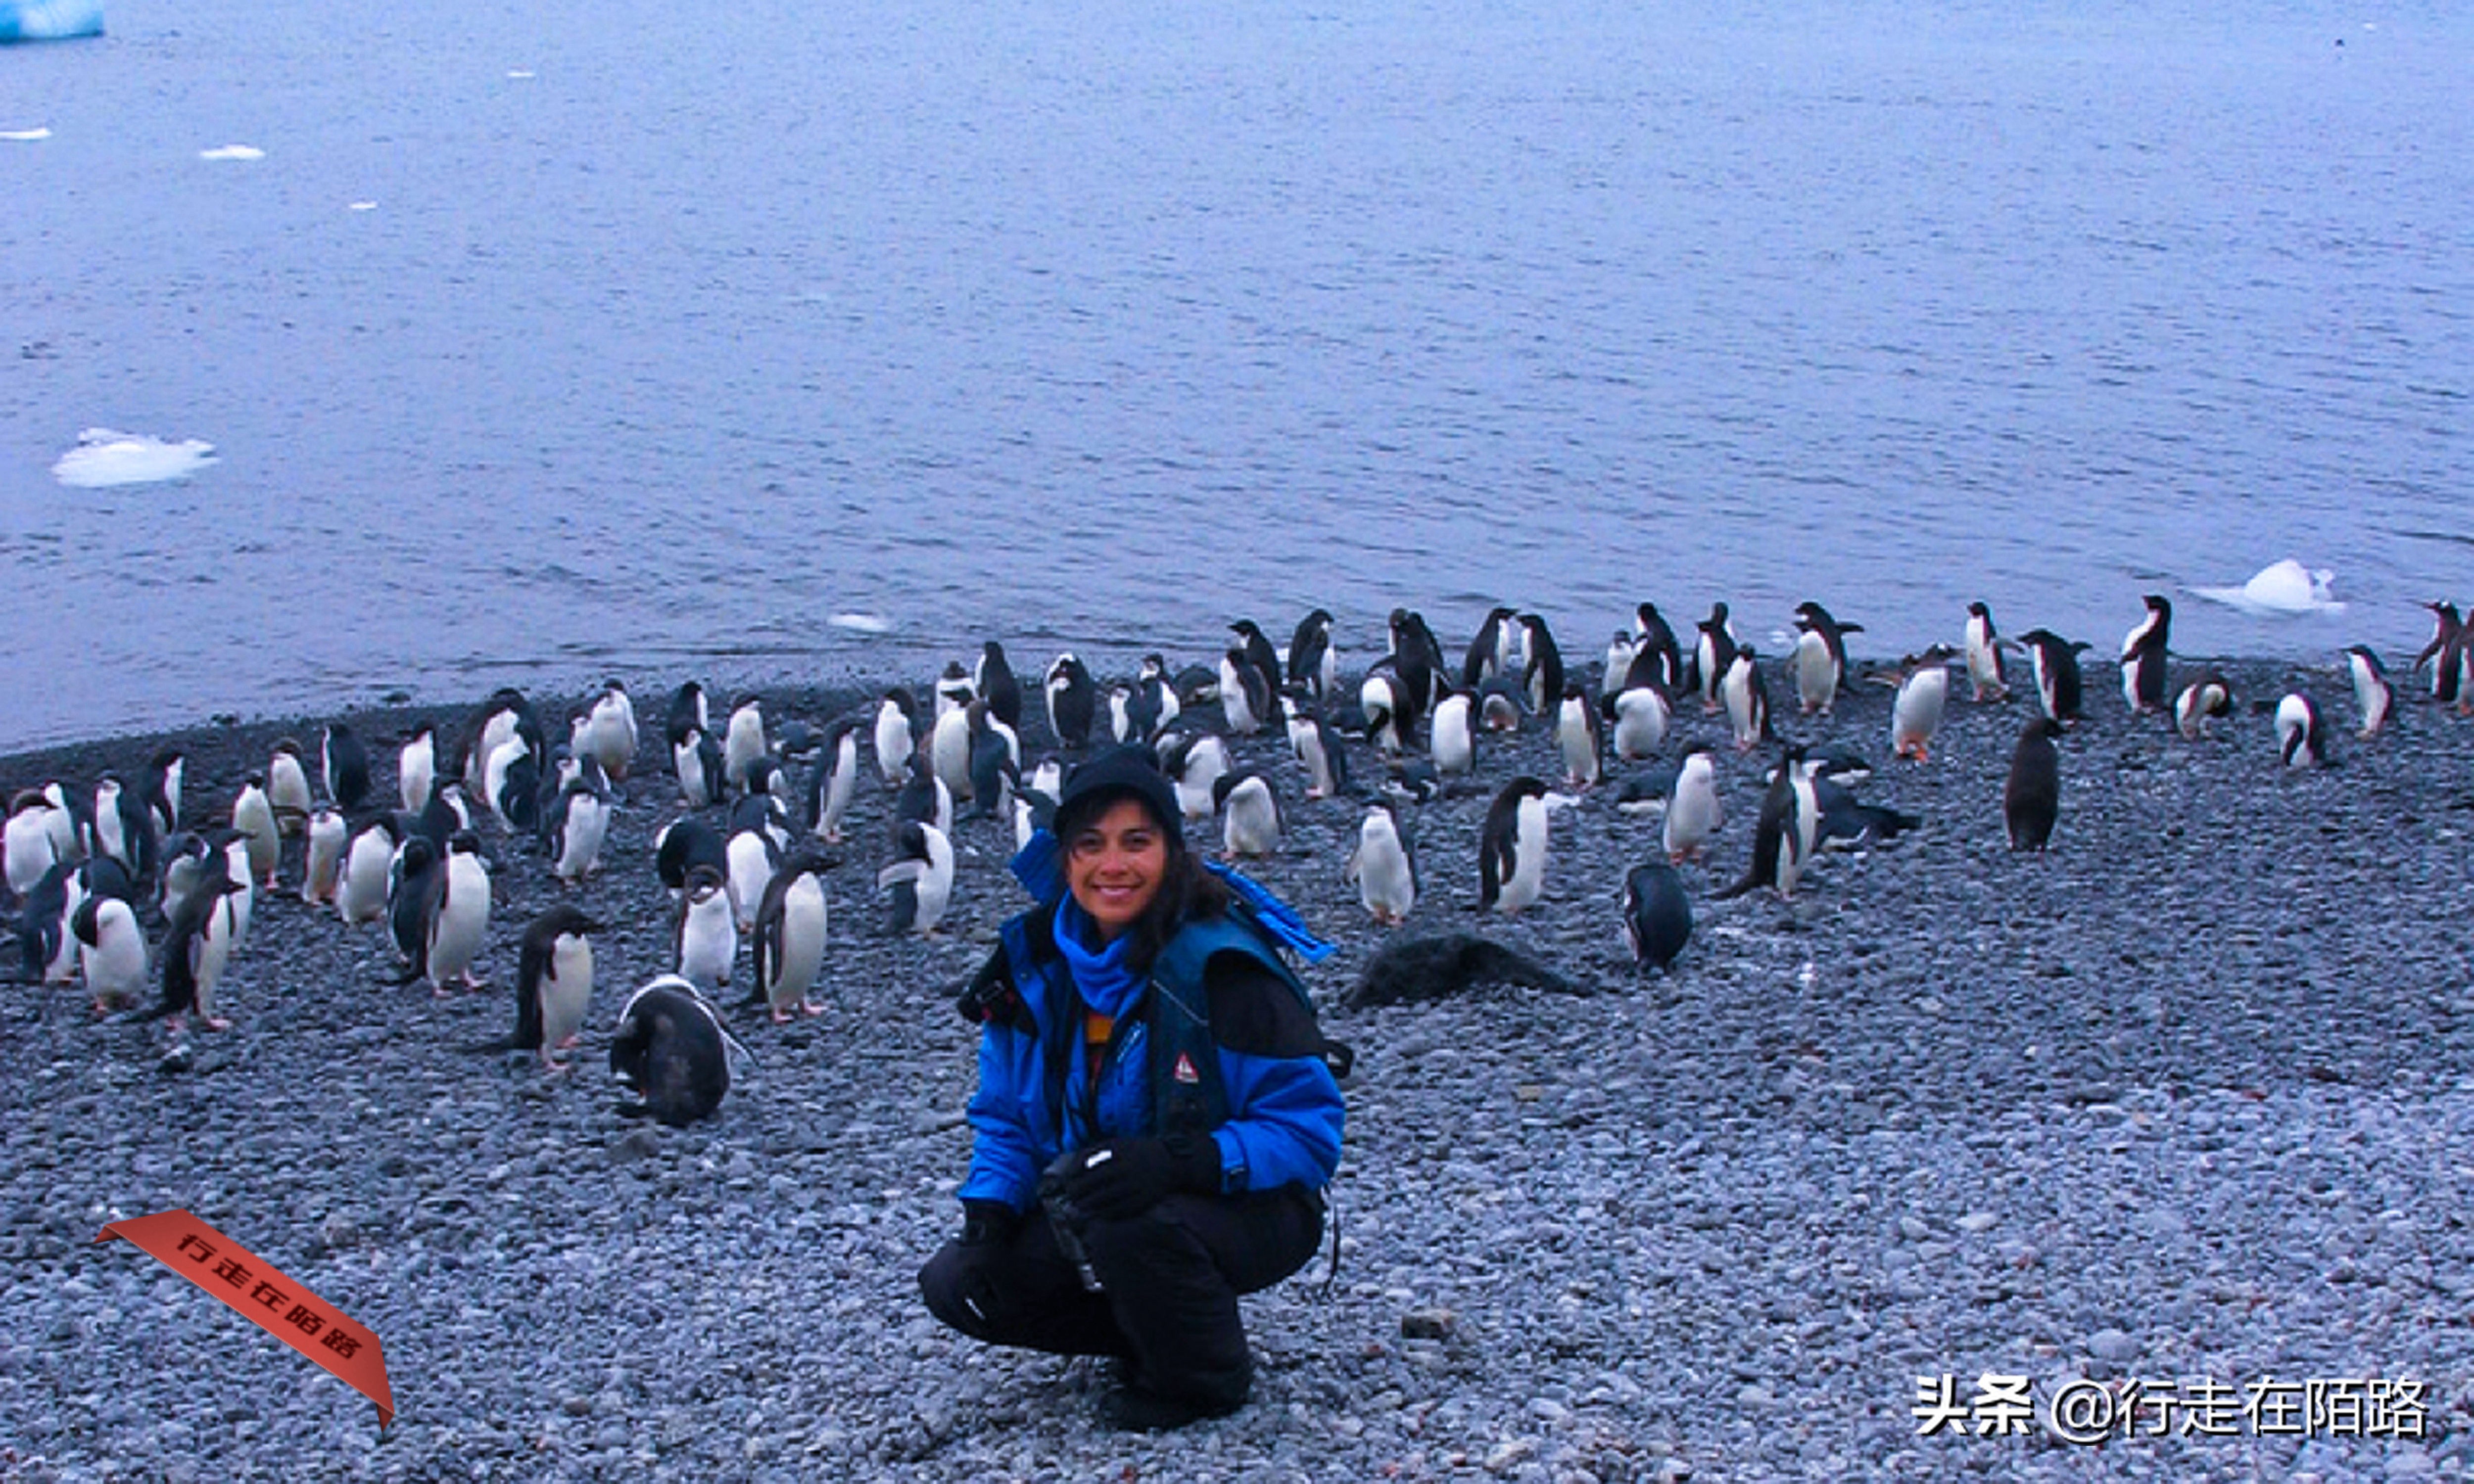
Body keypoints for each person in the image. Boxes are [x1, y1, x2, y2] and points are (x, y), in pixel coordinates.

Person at [919, 744, 1344, 1431]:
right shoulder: (1034, 971)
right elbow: (1004, 1115)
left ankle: (1207, 1378)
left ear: (1172, 853)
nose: (1112, 865)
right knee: (961, 1284)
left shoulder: (1222, 969)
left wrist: (1183, 1161)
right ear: (1064, 858)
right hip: (1103, 1204)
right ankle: (1168, 1323)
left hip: (1250, 1208)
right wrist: (991, 1211)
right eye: (1090, 844)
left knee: (1131, 1226)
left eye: (1136, 843)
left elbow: (1308, 1133)